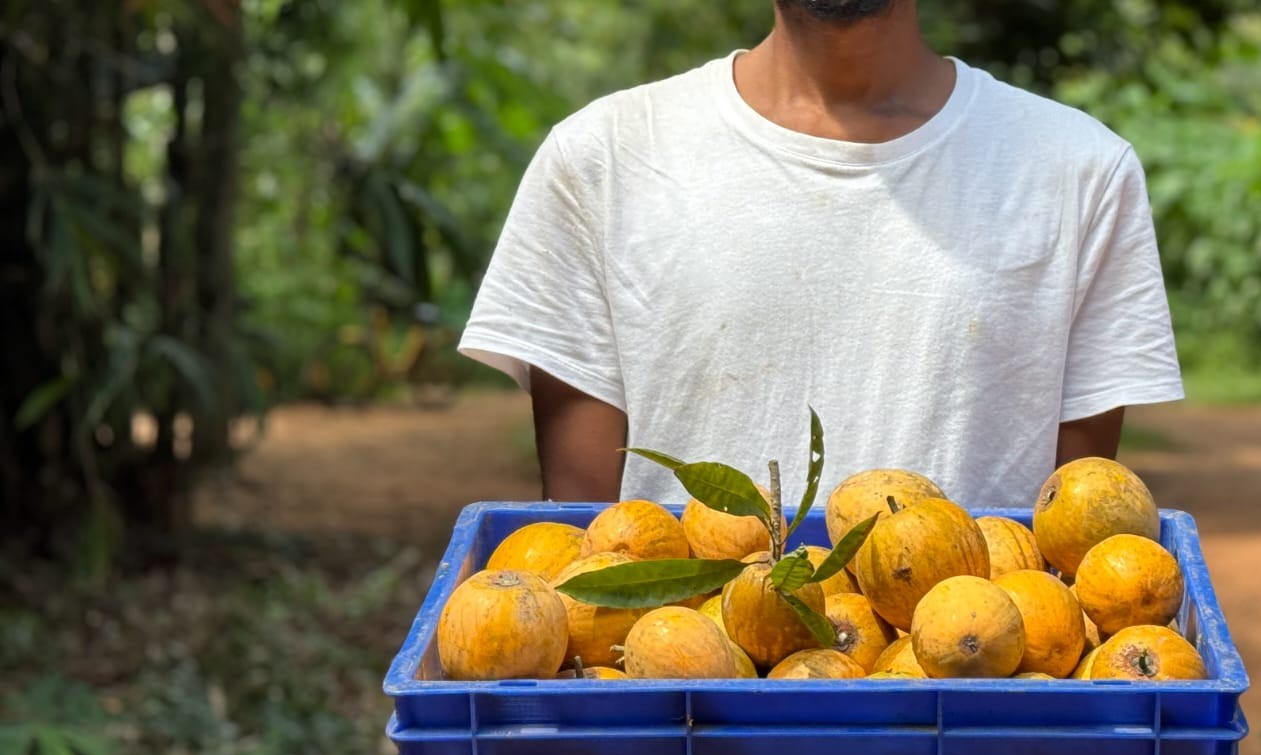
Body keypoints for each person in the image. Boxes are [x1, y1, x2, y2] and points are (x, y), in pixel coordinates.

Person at [460, 0, 1181, 508]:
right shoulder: (606, 159)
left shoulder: (1077, 172)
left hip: (964, 710)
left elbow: (1076, 532)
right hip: (686, 713)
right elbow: (589, 546)